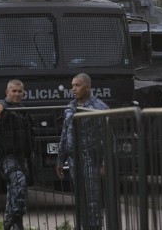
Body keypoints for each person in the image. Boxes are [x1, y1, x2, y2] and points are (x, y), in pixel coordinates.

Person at [56, 73, 110, 230]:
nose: (73, 88)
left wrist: (104, 163)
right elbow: (64, 135)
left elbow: (107, 138)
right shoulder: (70, 107)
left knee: (92, 201)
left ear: (88, 87)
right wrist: (60, 160)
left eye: (77, 85)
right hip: (74, 161)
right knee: (80, 200)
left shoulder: (99, 108)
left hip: (91, 160)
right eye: (72, 85)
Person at [0, 79, 33, 230]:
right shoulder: (2, 107)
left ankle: (13, 224)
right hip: (5, 157)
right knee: (18, 180)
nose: (17, 94)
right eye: (13, 91)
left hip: (21, 157)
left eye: (20, 91)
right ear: (7, 92)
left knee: (16, 193)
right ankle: (10, 221)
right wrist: (0, 104)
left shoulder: (23, 110)